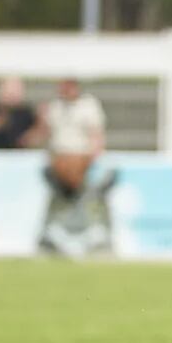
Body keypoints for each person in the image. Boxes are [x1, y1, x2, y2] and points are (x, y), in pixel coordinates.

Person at [37, 78, 110, 254]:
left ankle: (94, 234)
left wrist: (89, 160)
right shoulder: (55, 107)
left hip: (81, 160)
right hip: (59, 159)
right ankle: (51, 235)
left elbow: (96, 136)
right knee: (57, 196)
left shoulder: (88, 106)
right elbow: (45, 135)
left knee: (87, 196)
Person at [0, 75, 40, 149]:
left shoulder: (27, 112)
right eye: (10, 89)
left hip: (21, 155)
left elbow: (36, 138)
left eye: (15, 89)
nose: (12, 93)